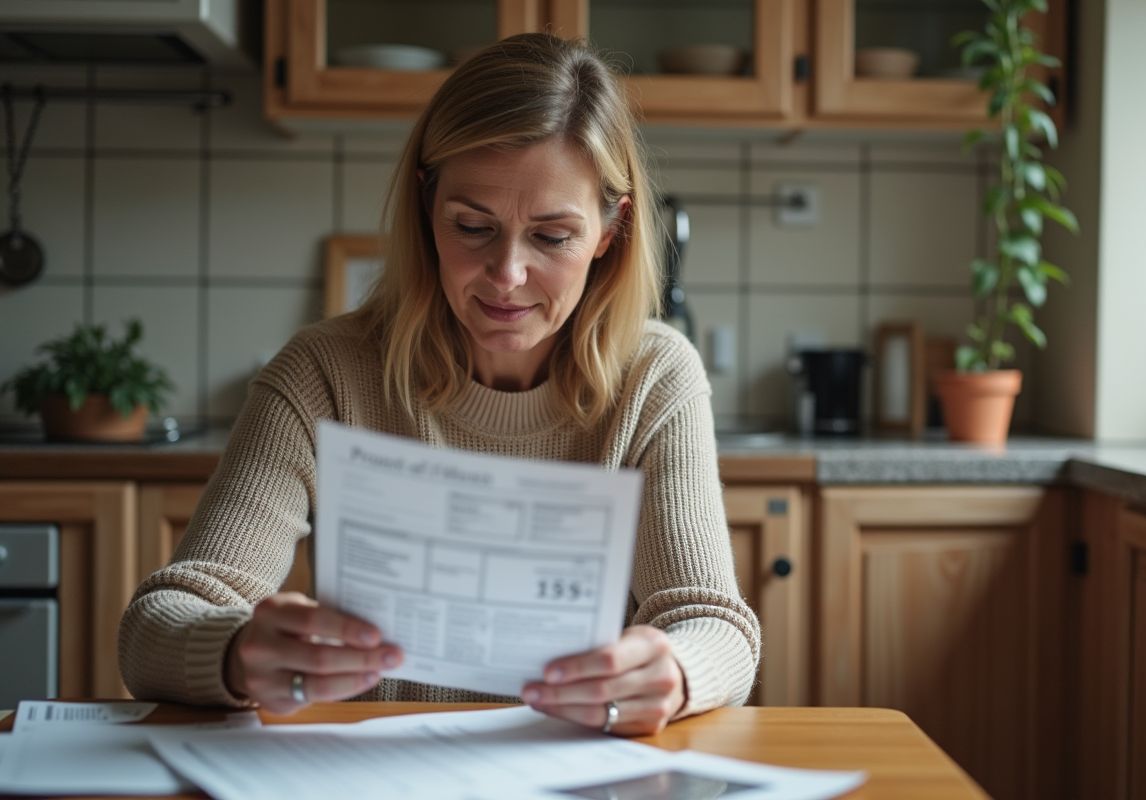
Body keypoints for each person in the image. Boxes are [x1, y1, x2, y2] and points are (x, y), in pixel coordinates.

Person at [118, 32, 760, 736]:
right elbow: (157, 625)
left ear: (612, 229)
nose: (507, 274)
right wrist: (237, 653)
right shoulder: (325, 374)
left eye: (552, 237)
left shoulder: (654, 377)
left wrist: (675, 670)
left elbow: (712, 624)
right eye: (472, 226)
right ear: (427, 210)